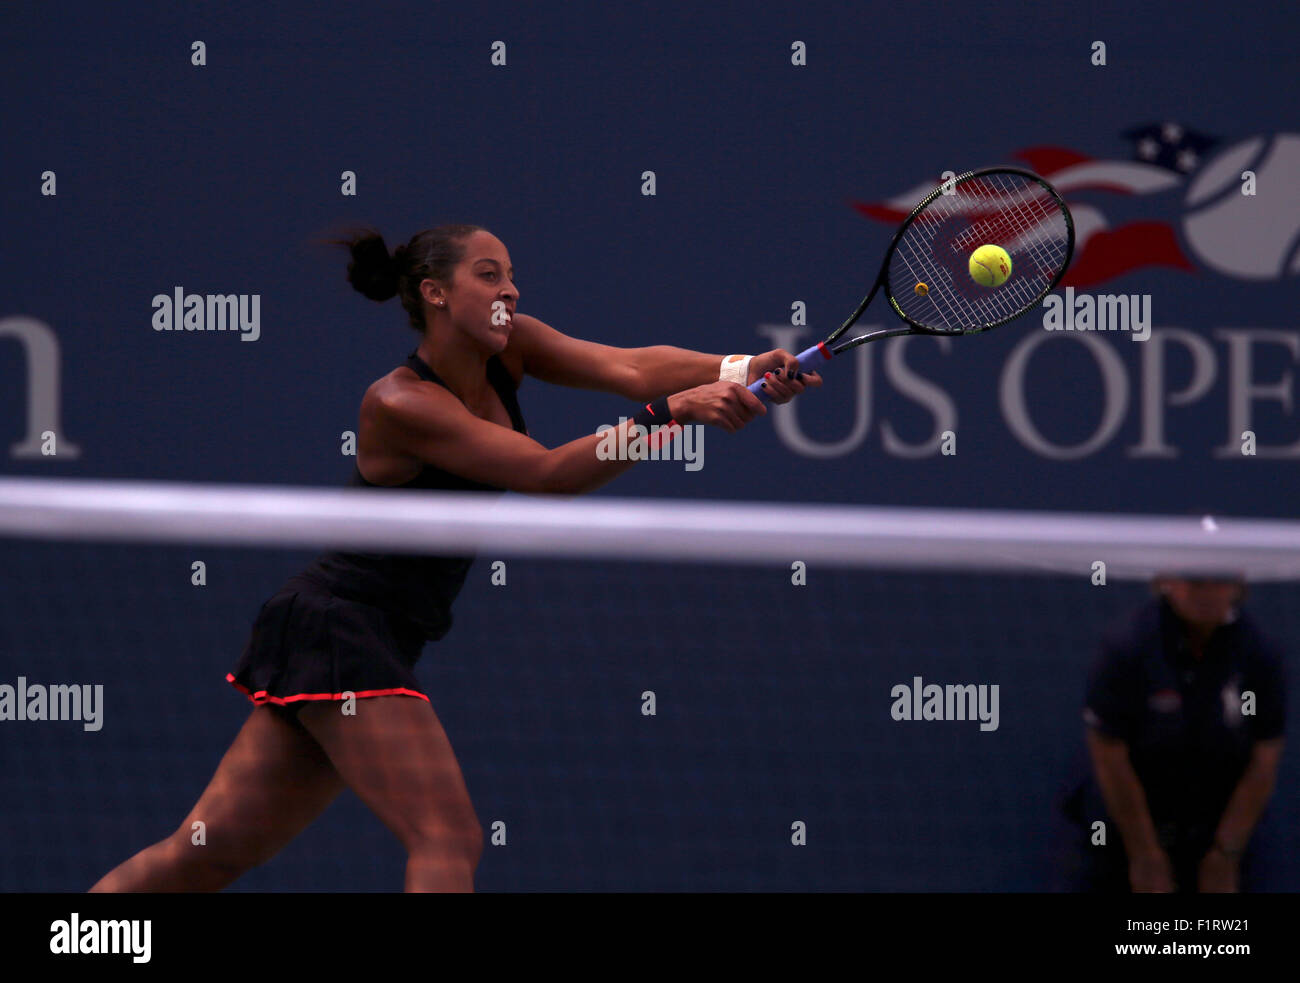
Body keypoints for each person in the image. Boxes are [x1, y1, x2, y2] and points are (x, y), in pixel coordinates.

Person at [90, 223, 821, 892]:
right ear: (436, 293)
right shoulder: (400, 403)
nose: (510, 289)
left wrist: (738, 366)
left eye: (511, 276)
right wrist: (672, 414)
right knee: (447, 836)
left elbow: (630, 367)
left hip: (357, 637)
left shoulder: (515, 346)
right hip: (339, 627)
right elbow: (546, 474)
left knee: (207, 851)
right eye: (489, 274)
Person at [1073, 575, 1286, 893]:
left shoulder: (1259, 654)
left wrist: (1225, 854)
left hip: (1219, 834)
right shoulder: (1128, 645)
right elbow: (1109, 755)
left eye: (1218, 581)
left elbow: (1265, 758)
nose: (1207, 592)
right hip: (1120, 832)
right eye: (1194, 580)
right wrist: (1144, 854)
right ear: (1166, 581)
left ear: (1238, 586)